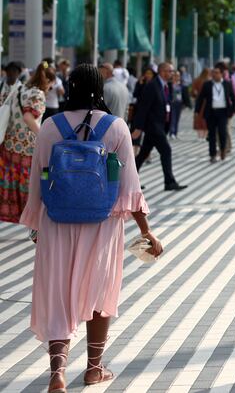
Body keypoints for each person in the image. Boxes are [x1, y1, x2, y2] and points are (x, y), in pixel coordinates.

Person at [21, 64, 162, 391]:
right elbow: (130, 188)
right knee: (99, 291)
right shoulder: (116, 128)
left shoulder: (49, 126)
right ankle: (94, 369)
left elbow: (38, 179)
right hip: (103, 224)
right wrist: (146, 231)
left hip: (57, 223)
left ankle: (57, 373)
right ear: (100, 89)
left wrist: (36, 222)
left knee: (57, 294)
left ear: (69, 88)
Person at [0, 62, 55, 224]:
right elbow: (28, 117)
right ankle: (32, 220)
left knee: (11, 181)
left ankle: (13, 214)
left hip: (10, 143)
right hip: (27, 146)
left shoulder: (20, 88)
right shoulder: (37, 94)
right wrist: (42, 135)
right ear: (48, 81)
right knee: (29, 184)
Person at [132, 63, 187, 191]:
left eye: (173, 71)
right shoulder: (152, 86)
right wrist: (138, 127)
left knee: (143, 154)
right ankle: (169, 182)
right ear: (162, 72)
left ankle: (127, 179)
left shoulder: (166, 86)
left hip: (160, 126)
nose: (172, 73)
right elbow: (143, 108)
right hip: (153, 126)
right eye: (170, 71)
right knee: (166, 151)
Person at [196, 66, 235, 163]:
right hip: (211, 112)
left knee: (222, 132)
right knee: (212, 135)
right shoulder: (207, 84)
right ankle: (212, 154)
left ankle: (222, 150)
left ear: (222, 74)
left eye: (217, 73)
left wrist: (232, 111)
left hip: (223, 112)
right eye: (213, 73)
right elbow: (201, 98)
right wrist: (197, 111)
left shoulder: (227, 84)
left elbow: (233, 98)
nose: (214, 75)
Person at [169, 71, 190, 139]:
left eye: (178, 76)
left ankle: (175, 133)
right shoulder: (169, 84)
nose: (176, 77)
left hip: (179, 103)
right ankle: (172, 132)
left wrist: (186, 104)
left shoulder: (182, 85)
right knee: (172, 118)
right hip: (172, 103)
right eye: (175, 75)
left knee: (177, 118)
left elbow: (185, 95)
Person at [191, 68, 211, 139]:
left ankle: (200, 135)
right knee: (206, 118)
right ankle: (206, 134)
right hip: (207, 102)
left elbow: (193, 91)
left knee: (199, 117)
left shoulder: (197, 80)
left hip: (199, 101)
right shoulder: (209, 81)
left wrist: (196, 95)